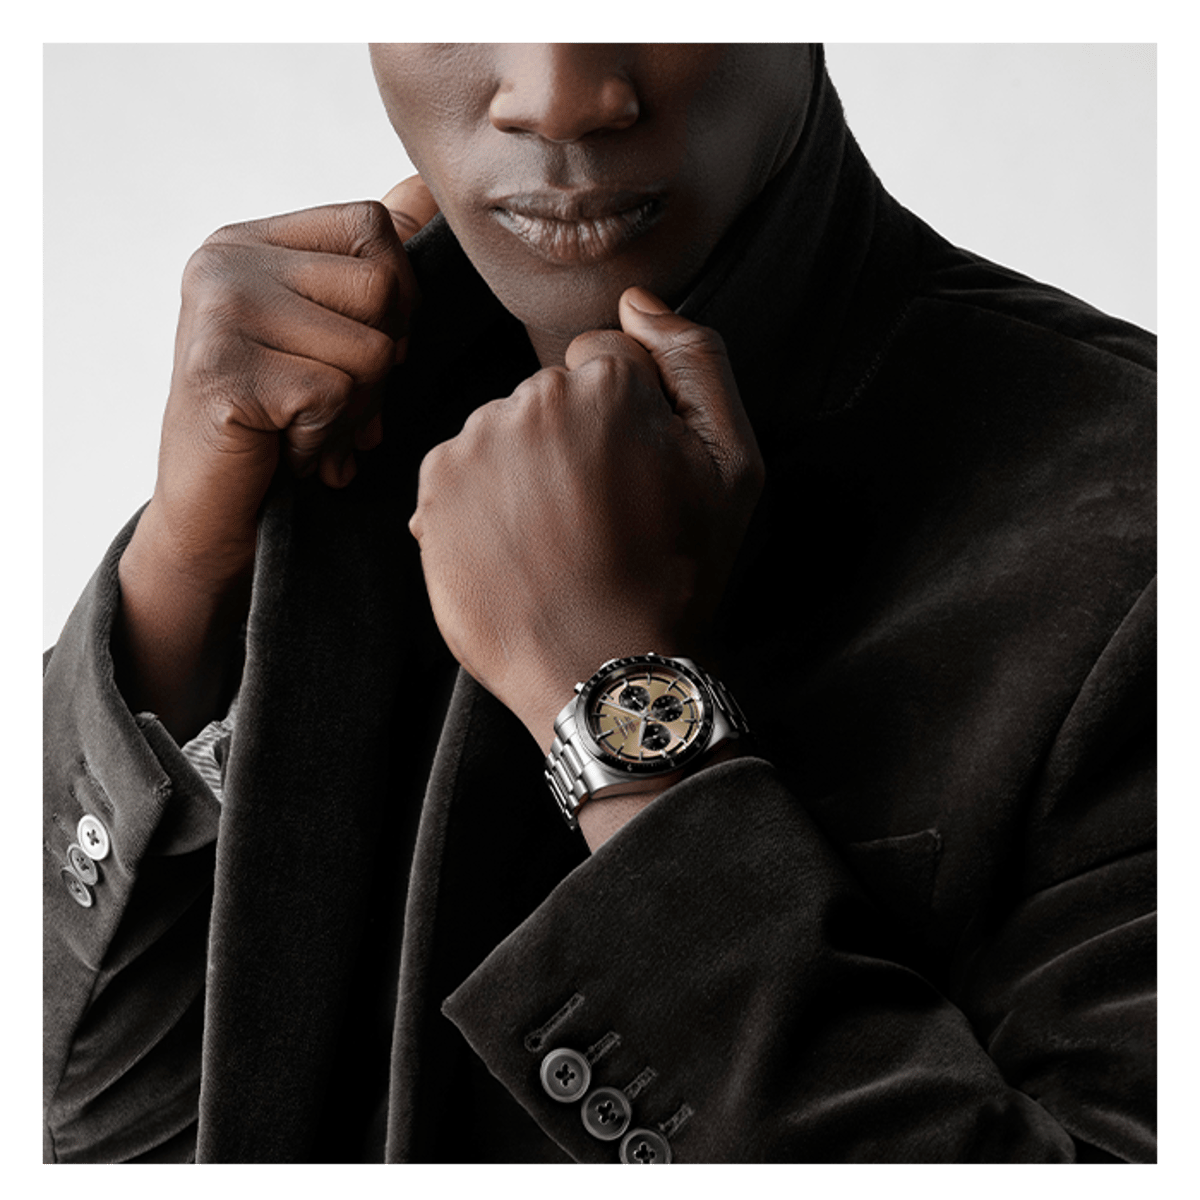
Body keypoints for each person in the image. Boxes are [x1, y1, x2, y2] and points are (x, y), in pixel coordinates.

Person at [41, 43, 1156, 1164]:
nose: (557, 96)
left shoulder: (1141, 530)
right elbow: (99, 1140)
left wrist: (624, 724)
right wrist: (183, 577)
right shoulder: (330, 429)